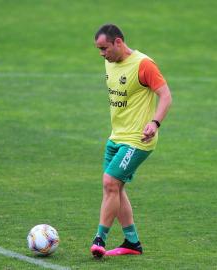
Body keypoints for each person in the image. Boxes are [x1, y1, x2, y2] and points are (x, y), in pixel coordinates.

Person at [90, 23, 172, 258]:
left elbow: (166, 95)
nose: (102, 54)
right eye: (98, 49)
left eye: (104, 48)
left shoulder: (143, 64)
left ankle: (99, 239)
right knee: (116, 187)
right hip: (116, 137)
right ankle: (132, 243)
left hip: (139, 139)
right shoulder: (109, 62)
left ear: (118, 42)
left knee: (110, 182)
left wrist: (154, 123)